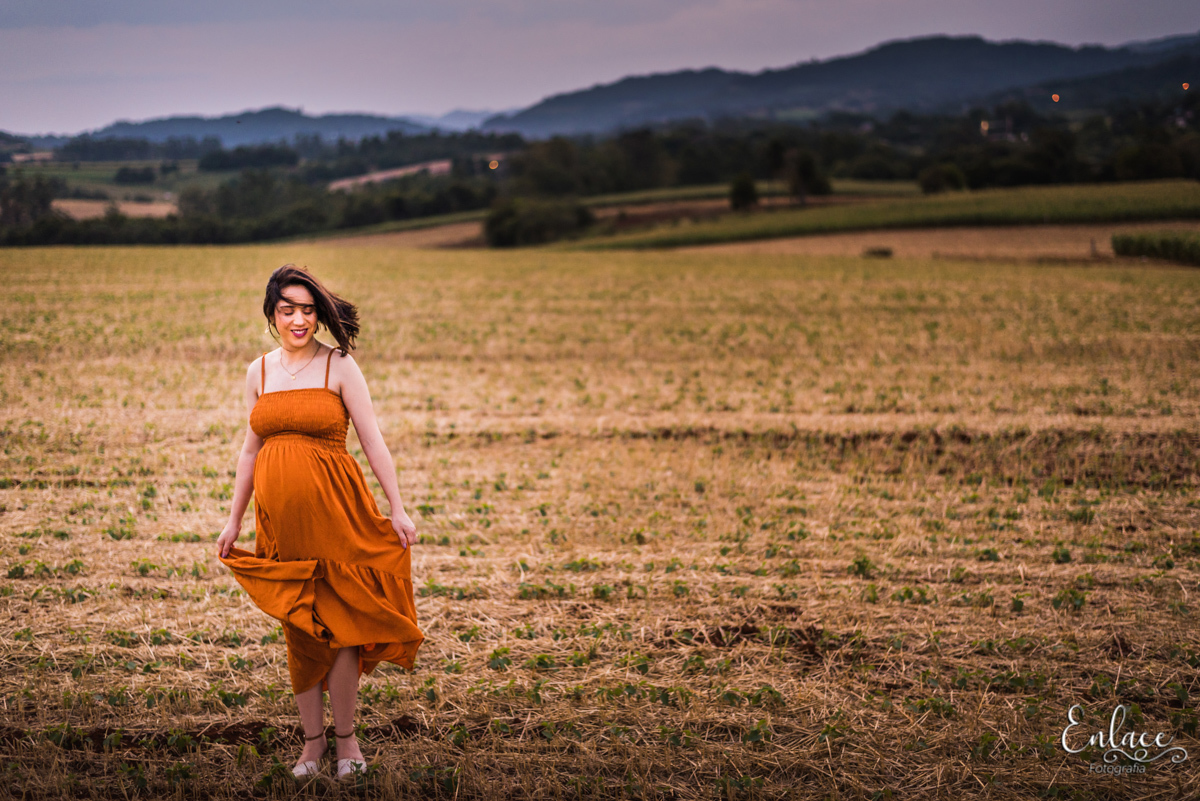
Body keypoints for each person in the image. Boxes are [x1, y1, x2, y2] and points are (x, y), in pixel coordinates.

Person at [216, 264, 423, 781]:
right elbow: (249, 452)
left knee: (344, 625)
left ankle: (347, 742)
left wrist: (397, 507)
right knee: (300, 624)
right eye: (288, 310)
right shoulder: (257, 373)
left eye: (308, 310)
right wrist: (233, 520)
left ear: (319, 314)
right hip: (280, 525)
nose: (299, 319)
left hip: (338, 515)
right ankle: (311, 747)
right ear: (272, 315)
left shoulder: (339, 367)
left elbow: (372, 440)